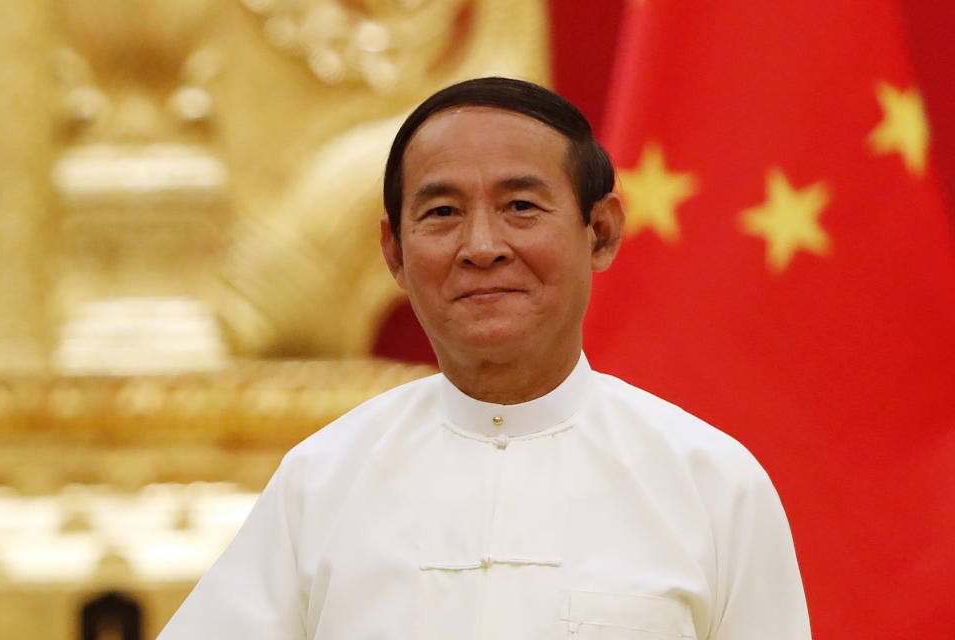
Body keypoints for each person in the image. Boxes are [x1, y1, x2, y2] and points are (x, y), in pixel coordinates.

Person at [158, 77, 811, 640]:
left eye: (520, 207)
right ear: (394, 254)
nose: (481, 245)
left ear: (601, 231)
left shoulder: (712, 485)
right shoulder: (322, 482)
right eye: (442, 212)